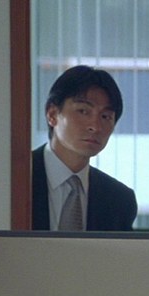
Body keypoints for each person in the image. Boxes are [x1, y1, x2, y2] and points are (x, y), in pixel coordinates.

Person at [32, 65, 137, 231]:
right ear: (52, 115)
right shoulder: (14, 178)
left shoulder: (119, 200)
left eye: (105, 116)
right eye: (83, 111)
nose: (95, 126)